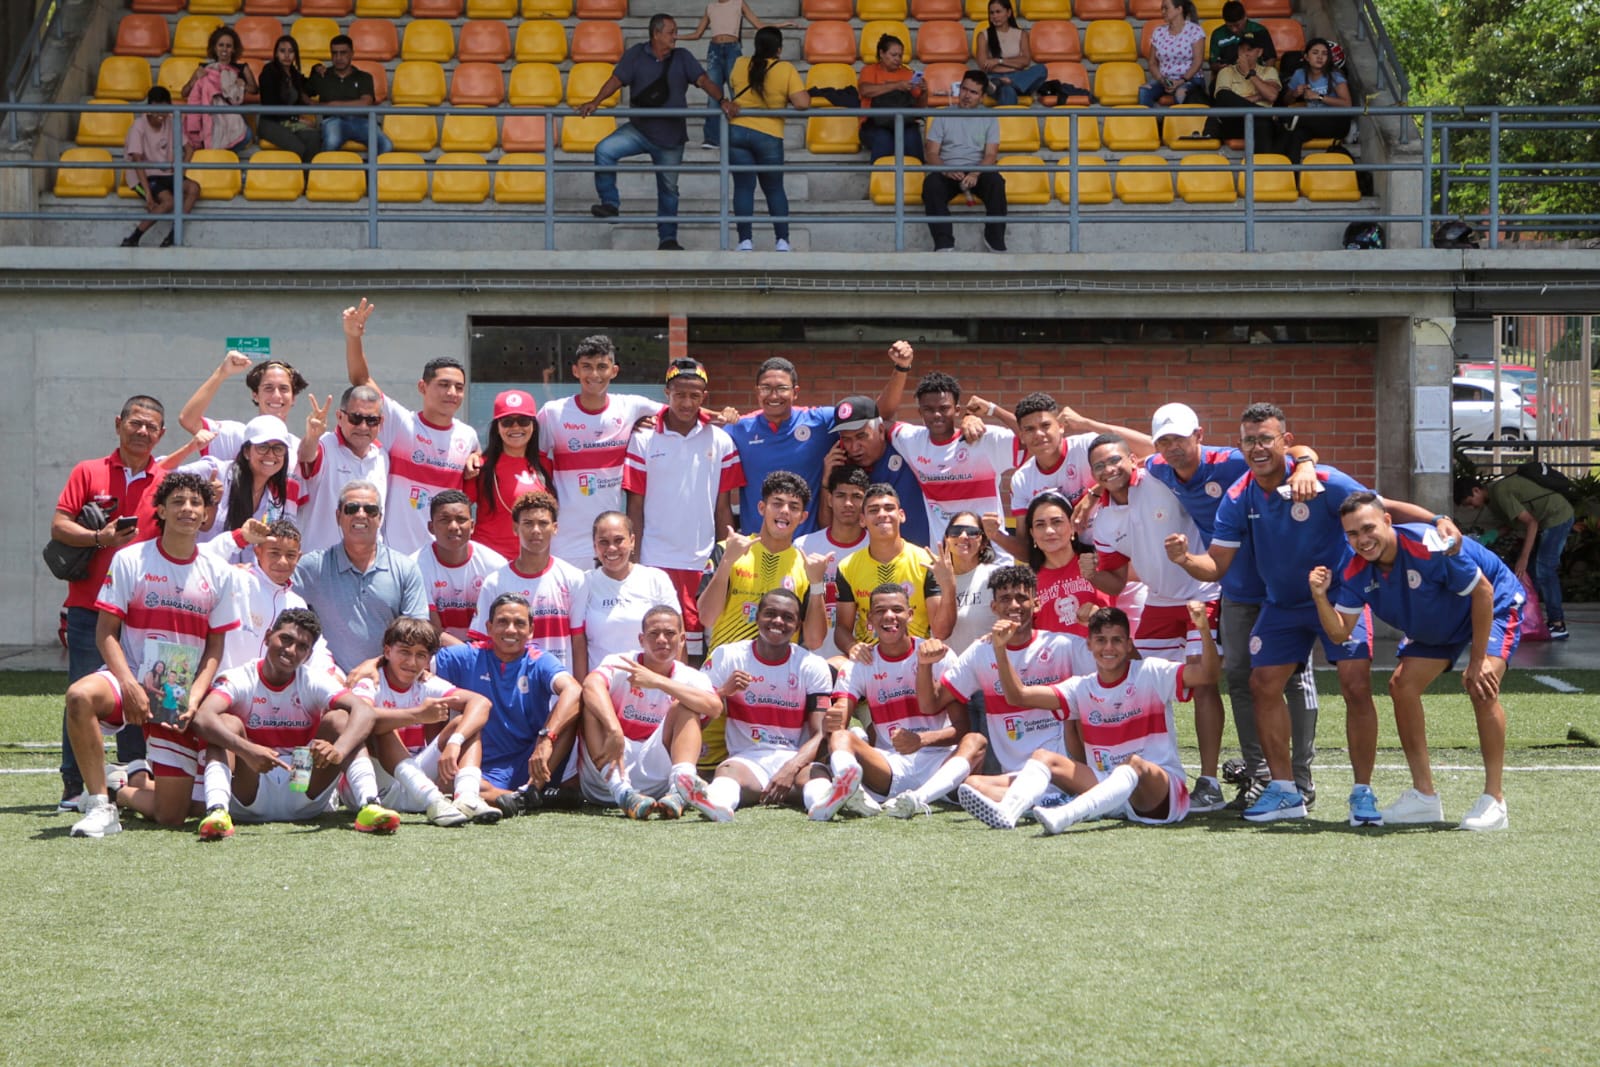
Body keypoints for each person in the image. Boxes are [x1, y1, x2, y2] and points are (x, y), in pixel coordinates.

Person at [1166, 401, 1463, 825]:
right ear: (1240, 446)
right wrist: (1184, 559)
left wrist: (1437, 518)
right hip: (1283, 604)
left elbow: (1382, 508)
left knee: (1355, 686)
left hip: (1339, 596)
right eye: (1249, 441)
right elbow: (1216, 565)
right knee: (1261, 682)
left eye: (1266, 439)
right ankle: (1286, 791)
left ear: (1285, 441)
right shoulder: (1237, 496)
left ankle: (1362, 793)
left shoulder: (1323, 480)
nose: (1258, 448)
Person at [1144, 400, 1322, 808]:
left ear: (1200, 436)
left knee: (1293, 680)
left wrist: (1308, 465)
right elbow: (1133, 457)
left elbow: (1288, 451)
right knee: (1241, 680)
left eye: (1180, 438)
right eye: (1164, 440)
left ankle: (1300, 778)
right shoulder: (1158, 466)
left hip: (1283, 591)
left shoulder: (1232, 461)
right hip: (1236, 590)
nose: (1173, 447)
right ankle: (1260, 777)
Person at [1310, 492, 1521, 831]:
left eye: (1368, 528)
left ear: (1387, 521)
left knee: (1481, 686)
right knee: (1401, 686)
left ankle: (1495, 800)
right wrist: (1320, 597)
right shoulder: (1353, 570)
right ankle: (1424, 797)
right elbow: (1339, 634)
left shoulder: (1429, 545)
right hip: (1439, 619)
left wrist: (1478, 660)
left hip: (1492, 602)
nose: (1362, 540)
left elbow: (1482, 592)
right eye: (1352, 534)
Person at [65, 471, 240, 838]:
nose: (187, 509)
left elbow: (215, 648)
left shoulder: (220, 572)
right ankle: (99, 805)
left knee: (173, 815)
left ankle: (119, 787)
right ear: (160, 509)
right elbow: (105, 633)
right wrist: (128, 683)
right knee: (80, 695)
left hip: (179, 693)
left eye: (196, 503)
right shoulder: (130, 559)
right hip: (130, 674)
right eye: (177, 502)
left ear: (207, 514)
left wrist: (193, 696)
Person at [963, 602, 1217, 833]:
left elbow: (1207, 675)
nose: (1109, 648)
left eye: (1117, 640)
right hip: (1107, 786)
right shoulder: (1080, 687)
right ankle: (1009, 812)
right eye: (1101, 640)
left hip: (1157, 794)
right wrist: (1000, 649)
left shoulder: (1152, 672)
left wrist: (1203, 630)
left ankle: (1064, 815)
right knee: (1043, 758)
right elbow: (1018, 696)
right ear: (1089, 645)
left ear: (1129, 645)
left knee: (1134, 764)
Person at [1080, 434, 1227, 811]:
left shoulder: (1159, 477)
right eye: (1099, 466)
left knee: (1203, 680)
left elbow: (1155, 444)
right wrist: (1094, 575)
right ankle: (1150, 771)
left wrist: (1083, 423)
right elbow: (1115, 578)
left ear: (1132, 459)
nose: (1109, 470)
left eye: (1115, 460)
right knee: (1140, 682)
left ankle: (1209, 783)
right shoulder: (1103, 521)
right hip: (1159, 600)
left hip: (1203, 589)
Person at [188, 608, 400, 838]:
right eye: (286, 639)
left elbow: (364, 712)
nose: (291, 650)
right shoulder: (240, 677)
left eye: (302, 647)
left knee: (340, 719)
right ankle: (217, 811)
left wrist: (338, 750)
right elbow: (202, 718)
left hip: (302, 781)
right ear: (268, 637)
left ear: (308, 655)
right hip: (250, 786)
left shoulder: (313, 679)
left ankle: (370, 804)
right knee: (226, 724)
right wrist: (247, 750)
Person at [51, 394, 169, 809]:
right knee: (82, 695)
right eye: (135, 423)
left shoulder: (166, 478)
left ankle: (134, 774)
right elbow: (60, 524)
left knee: (140, 693)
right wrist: (99, 538)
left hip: (142, 611)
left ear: (161, 433)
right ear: (118, 423)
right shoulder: (89, 471)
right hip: (89, 607)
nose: (142, 431)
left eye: (151, 426)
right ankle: (74, 785)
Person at [696, 470, 832, 771]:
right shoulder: (728, 550)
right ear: (762, 508)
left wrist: (818, 585)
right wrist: (728, 562)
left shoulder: (806, 565)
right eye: (777, 503)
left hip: (777, 689)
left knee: (768, 770)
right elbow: (706, 616)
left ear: (803, 516)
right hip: (725, 679)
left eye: (793, 507)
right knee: (705, 771)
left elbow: (814, 640)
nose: (784, 511)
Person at [930, 565, 1094, 804]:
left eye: (1022, 598)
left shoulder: (1063, 646)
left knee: (1079, 701)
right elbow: (934, 701)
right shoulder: (980, 652)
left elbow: (1125, 669)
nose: (1014, 605)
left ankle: (1052, 797)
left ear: (1036, 604)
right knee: (971, 785)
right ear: (994, 607)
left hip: (1063, 767)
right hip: (1015, 774)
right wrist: (925, 664)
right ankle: (1044, 801)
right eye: (1005, 598)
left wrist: (1098, 620)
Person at [823, 587, 987, 819]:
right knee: (841, 736)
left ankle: (918, 799)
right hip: (889, 765)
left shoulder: (937, 654)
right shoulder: (859, 664)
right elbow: (839, 719)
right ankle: (849, 790)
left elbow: (962, 728)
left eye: (897, 610)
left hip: (939, 762)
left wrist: (921, 740)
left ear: (910, 614)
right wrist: (833, 717)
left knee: (976, 740)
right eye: (880, 611)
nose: (889, 616)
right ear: (869, 619)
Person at [580, 13, 739, 251]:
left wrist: (722, 100)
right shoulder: (635, 54)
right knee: (604, 150)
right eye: (671, 32)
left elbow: (704, 81)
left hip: (671, 139)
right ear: (656, 34)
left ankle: (667, 239)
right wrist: (595, 101)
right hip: (639, 129)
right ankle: (610, 202)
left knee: (668, 190)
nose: (676, 36)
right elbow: (616, 80)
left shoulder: (683, 57)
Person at [674, 590, 837, 820]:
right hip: (747, 761)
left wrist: (790, 768)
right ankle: (716, 806)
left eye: (787, 617)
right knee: (727, 772)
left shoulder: (812, 665)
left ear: (798, 624)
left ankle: (822, 806)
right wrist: (723, 692)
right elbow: (694, 708)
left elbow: (821, 734)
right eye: (770, 614)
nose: (778, 621)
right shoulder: (728, 656)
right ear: (756, 616)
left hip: (797, 760)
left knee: (816, 777)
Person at [722, 342, 914, 536]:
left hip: (807, 550)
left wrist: (901, 368)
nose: (773, 395)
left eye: (781, 388)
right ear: (756, 391)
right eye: (765, 388)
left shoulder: (819, 422)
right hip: (755, 548)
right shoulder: (737, 429)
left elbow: (874, 415)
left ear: (795, 392)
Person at [624, 357, 743, 659]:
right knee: (658, 643)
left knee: (698, 648)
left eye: (694, 395)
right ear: (667, 393)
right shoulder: (643, 439)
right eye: (679, 394)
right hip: (654, 559)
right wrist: (634, 563)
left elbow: (723, 508)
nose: (686, 402)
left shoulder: (722, 440)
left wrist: (723, 555)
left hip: (701, 560)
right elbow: (634, 507)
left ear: (705, 397)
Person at [342, 298, 480, 555]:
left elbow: (477, 467)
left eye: (459, 388)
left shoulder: (468, 436)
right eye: (444, 384)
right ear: (422, 387)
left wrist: (477, 456)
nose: (452, 393)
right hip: (396, 556)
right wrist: (353, 337)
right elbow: (361, 380)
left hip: (441, 559)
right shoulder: (400, 423)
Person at [432, 593, 583, 816]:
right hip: (480, 764)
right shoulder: (465, 656)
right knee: (452, 779)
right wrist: (374, 664)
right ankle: (521, 799)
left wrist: (546, 739)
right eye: (502, 622)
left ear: (531, 630)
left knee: (573, 710)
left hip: (534, 760)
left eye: (519, 623)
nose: (511, 630)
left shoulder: (538, 659)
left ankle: (533, 790)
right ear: (489, 627)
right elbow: (412, 665)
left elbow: (573, 690)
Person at [345, 616, 496, 827]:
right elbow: (361, 720)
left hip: (416, 783)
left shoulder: (425, 681)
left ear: (428, 661)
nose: (412, 662)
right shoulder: (371, 680)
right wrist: (418, 714)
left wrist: (455, 742)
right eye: (404, 652)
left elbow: (481, 703)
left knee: (466, 724)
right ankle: (434, 800)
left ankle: (467, 797)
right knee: (377, 724)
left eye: (421, 655)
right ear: (387, 652)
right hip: (377, 789)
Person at [576, 605, 723, 817]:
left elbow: (715, 707)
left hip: (657, 779)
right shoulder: (621, 662)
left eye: (670, 634)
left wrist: (657, 681)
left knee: (686, 705)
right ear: (641, 639)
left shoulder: (692, 676)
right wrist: (614, 729)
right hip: (607, 776)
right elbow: (590, 685)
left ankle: (681, 789)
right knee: (593, 703)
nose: (662, 639)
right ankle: (623, 793)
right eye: (654, 634)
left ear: (682, 640)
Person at [535, 334, 661, 565]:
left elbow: (682, 413)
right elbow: (529, 460)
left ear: (614, 371)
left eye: (602, 367)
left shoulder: (630, 407)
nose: (594, 375)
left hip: (609, 541)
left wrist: (726, 417)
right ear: (575, 371)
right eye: (587, 367)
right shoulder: (552, 413)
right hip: (563, 541)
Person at [981, 391, 1153, 559]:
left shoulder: (1086, 446)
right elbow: (1027, 551)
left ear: (1061, 426)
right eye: (1030, 429)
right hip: (1077, 562)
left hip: (1126, 544)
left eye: (1045, 425)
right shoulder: (1021, 480)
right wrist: (995, 535)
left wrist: (1095, 492)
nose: (1039, 434)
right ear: (1022, 436)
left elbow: (1153, 450)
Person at [292, 479, 429, 672]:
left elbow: (417, 634)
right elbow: (279, 604)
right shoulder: (312, 567)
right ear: (338, 516)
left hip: (386, 681)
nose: (361, 515)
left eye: (370, 510)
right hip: (327, 683)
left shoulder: (405, 568)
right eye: (352, 508)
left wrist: (376, 664)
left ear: (380, 518)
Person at [888, 370, 1018, 544]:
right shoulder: (911, 440)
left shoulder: (984, 439)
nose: (936, 415)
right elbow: (876, 421)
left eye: (944, 408)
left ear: (957, 410)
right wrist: (901, 368)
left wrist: (992, 410)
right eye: (928, 409)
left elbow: (1031, 437)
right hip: (947, 558)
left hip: (991, 556)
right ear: (920, 412)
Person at [468, 490, 587, 673]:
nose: (536, 530)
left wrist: (579, 693)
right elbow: (483, 642)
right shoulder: (495, 582)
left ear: (555, 528)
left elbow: (578, 640)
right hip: (510, 689)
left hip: (560, 691)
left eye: (543, 523)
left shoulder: (574, 578)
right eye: (528, 523)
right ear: (515, 528)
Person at [832, 484, 954, 654]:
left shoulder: (926, 562)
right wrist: (852, 647)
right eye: (874, 510)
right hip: (870, 658)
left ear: (901, 515)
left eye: (889, 508)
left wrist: (949, 587)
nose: (882, 514)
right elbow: (842, 629)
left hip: (916, 656)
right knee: (833, 666)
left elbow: (942, 632)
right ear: (862, 520)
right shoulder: (847, 566)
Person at [1455, 470, 1574, 640]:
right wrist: (1489, 537)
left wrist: (1523, 558)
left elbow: (1531, 523)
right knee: (1532, 573)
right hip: (1545, 522)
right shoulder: (1494, 500)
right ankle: (1533, 621)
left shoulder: (1500, 493)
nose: (1473, 507)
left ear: (1476, 490)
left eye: (1470, 502)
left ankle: (1558, 624)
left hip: (1557, 517)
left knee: (1544, 570)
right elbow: (1514, 524)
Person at [727, 27, 809, 252]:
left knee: (743, 188)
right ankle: (782, 241)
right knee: (774, 189)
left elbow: (734, 89)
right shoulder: (785, 68)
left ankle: (745, 242)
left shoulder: (740, 63)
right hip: (769, 135)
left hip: (738, 131)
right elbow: (802, 103)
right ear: (779, 49)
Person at [170, 414, 307, 547]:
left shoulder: (271, 501)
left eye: (278, 448)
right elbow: (159, 475)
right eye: (262, 447)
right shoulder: (214, 471)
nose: (271, 455)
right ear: (247, 452)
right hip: (198, 567)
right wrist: (189, 449)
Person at [683, 0, 792, 149]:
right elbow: (697, 34)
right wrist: (676, 38)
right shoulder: (710, 7)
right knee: (714, 93)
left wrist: (781, 25)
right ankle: (712, 138)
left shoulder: (738, 3)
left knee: (737, 92)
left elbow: (758, 25)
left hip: (732, 49)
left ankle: (739, 133)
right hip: (714, 50)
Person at [574, 511, 678, 666]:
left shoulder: (657, 579)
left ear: (632, 541)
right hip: (600, 685)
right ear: (594, 546)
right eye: (603, 542)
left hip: (649, 684)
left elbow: (676, 638)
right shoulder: (583, 583)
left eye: (618, 540)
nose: (611, 548)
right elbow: (578, 644)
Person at [294, 384, 388, 553]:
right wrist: (312, 436)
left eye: (371, 420)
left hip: (367, 567)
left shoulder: (382, 456)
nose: (363, 427)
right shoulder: (323, 446)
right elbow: (306, 456)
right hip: (321, 568)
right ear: (339, 416)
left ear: (381, 422)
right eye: (355, 418)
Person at [827, 396, 929, 546]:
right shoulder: (842, 466)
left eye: (861, 436)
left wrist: (972, 418)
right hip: (870, 563)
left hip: (922, 559)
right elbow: (829, 525)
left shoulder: (907, 446)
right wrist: (826, 479)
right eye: (846, 439)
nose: (854, 447)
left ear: (881, 431)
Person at [923, 71, 1006, 253]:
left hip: (977, 172)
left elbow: (991, 155)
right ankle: (944, 244)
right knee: (931, 185)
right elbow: (931, 153)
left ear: (983, 97)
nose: (967, 96)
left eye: (974, 92)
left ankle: (995, 240)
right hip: (949, 170)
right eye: (964, 89)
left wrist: (976, 173)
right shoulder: (943, 115)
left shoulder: (989, 118)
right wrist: (946, 170)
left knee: (997, 183)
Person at [178, 351, 308, 464]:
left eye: (284, 388)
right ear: (255, 395)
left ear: (293, 398)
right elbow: (188, 420)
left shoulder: (298, 449)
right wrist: (222, 372)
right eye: (268, 388)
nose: (276, 395)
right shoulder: (233, 435)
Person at [413, 489, 507, 644]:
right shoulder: (415, 566)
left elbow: (502, 622)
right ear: (431, 527)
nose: (453, 526)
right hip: (436, 652)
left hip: (485, 650)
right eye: (444, 520)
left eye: (461, 519)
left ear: (472, 526)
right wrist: (466, 655)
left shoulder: (496, 566)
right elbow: (430, 629)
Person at [465, 389, 547, 561]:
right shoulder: (480, 466)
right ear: (497, 427)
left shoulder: (546, 465)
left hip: (532, 562)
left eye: (523, 421)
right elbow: (459, 511)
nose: (516, 427)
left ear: (533, 425)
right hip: (488, 561)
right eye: (507, 422)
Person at [796, 464, 871, 641]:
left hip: (864, 654)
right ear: (829, 499)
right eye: (840, 496)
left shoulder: (877, 546)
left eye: (856, 497)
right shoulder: (804, 546)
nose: (848, 503)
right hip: (815, 653)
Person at [118, 87, 199, 248]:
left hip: (167, 173)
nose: (161, 114)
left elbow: (189, 148)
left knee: (194, 188)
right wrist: (147, 193)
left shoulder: (171, 121)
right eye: (157, 109)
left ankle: (175, 233)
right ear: (149, 107)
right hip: (144, 176)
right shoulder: (138, 126)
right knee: (168, 202)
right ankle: (133, 238)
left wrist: (180, 172)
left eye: (165, 108)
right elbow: (137, 160)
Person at [1021, 490, 1110, 637]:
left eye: (1057, 522)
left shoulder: (1098, 563)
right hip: (1052, 659)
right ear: (1032, 534)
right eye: (1040, 525)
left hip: (1100, 656)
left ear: (1072, 525)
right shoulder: (1027, 583)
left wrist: (1102, 615)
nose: (1049, 531)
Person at [309, 34, 392, 156]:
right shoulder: (322, 76)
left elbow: (365, 103)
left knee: (386, 145)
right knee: (331, 142)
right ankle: (325, 174)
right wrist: (314, 69)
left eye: (343, 53)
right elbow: (301, 93)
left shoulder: (364, 77)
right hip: (333, 120)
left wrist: (331, 105)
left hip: (361, 121)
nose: (338, 57)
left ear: (352, 53)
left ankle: (367, 174)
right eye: (334, 53)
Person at [180, 25, 255, 152]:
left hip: (233, 120)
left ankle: (220, 155)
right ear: (214, 48)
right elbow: (184, 92)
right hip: (209, 118)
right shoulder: (204, 68)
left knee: (247, 135)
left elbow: (254, 90)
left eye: (228, 46)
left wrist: (242, 85)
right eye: (221, 45)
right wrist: (194, 80)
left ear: (234, 49)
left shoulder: (242, 68)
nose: (224, 49)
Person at [940, 510, 1004, 653]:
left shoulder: (997, 576)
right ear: (947, 539)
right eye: (956, 531)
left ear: (983, 542)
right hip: (947, 671)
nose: (963, 536)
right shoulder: (934, 578)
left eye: (972, 532)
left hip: (989, 667)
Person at [1203, 33, 1282, 149]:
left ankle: (1262, 165)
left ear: (1259, 52)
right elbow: (1225, 101)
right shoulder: (1226, 72)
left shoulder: (1269, 71)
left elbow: (1272, 96)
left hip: (1261, 124)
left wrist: (1249, 73)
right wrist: (1259, 97)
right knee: (1224, 95)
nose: (1244, 54)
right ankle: (1263, 114)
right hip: (1235, 121)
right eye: (1241, 49)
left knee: (1262, 124)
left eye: (1249, 50)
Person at [858, 33, 927, 165]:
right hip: (874, 124)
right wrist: (897, 85)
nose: (898, 59)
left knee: (912, 138)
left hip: (904, 124)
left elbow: (920, 108)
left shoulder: (908, 73)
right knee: (884, 139)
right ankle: (879, 181)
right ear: (882, 53)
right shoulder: (869, 70)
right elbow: (865, 90)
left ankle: (917, 180)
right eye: (893, 55)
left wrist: (924, 91)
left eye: (900, 56)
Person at [1280, 38, 1350, 164]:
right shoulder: (1299, 74)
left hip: (1336, 122)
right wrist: (1294, 93)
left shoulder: (1335, 75)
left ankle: (1288, 120)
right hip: (1312, 123)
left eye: (1324, 54)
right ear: (1306, 57)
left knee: (1291, 120)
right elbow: (1286, 100)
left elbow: (1347, 104)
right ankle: (1290, 176)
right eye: (1315, 53)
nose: (1320, 57)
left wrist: (1319, 97)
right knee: (1294, 136)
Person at [256, 34, 320, 162]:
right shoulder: (269, 71)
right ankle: (293, 180)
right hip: (271, 122)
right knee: (298, 147)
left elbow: (310, 89)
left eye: (291, 51)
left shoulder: (293, 73)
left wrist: (316, 69)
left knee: (314, 138)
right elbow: (271, 105)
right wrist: (296, 118)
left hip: (289, 122)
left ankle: (307, 179)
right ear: (276, 54)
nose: (286, 55)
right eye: (282, 51)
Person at [975, 0, 1048, 106]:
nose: (995, 16)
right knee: (1007, 90)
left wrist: (998, 61)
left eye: (998, 12)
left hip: (1018, 77)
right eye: (992, 13)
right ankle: (1005, 83)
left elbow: (1025, 61)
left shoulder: (1021, 34)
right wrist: (1014, 63)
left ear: (1008, 13)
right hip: (994, 78)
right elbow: (983, 64)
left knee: (1042, 69)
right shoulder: (983, 35)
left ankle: (1010, 82)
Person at [1140, 0, 1208, 107]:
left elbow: (1198, 62)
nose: (1163, 12)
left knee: (1181, 93)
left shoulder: (1195, 30)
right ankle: (1154, 122)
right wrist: (1162, 80)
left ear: (1179, 9)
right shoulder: (1158, 32)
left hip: (1190, 79)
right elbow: (1152, 62)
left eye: (1166, 8)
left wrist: (1181, 81)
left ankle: (1178, 123)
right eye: (1162, 8)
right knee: (1144, 91)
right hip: (1165, 80)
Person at [1207, 0, 1277, 73]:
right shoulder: (1218, 34)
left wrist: (1265, 75)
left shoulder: (1259, 30)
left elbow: (1270, 58)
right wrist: (1218, 67)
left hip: (1255, 74)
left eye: (1237, 25)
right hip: (1229, 75)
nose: (1234, 29)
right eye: (1229, 26)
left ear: (1245, 17)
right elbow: (1213, 62)